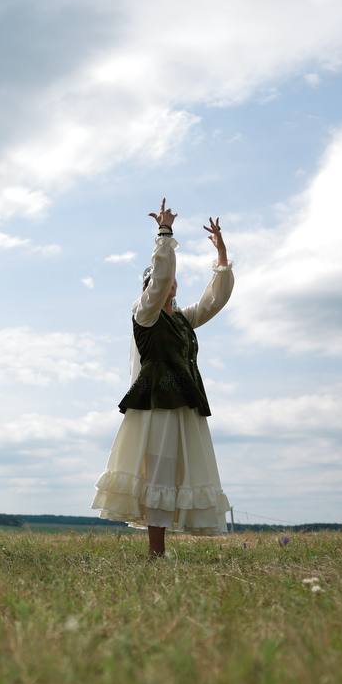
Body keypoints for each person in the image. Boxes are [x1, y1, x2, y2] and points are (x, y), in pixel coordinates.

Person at [92, 198, 234, 557]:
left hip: (183, 404)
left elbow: (212, 303)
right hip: (156, 404)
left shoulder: (183, 318)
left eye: (171, 282)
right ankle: (156, 553)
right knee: (159, 474)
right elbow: (160, 279)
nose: (165, 285)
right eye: (156, 282)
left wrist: (220, 258)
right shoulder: (145, 315)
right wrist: (164, 235)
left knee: (175, 475)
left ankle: (163, 549)